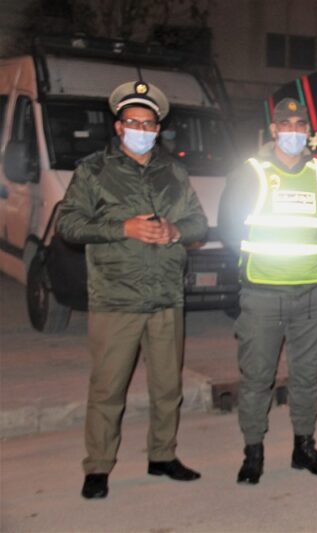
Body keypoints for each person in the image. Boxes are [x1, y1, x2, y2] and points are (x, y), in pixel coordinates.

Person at [58, 81, 208, 499]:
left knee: (168, 387)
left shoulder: (174, 172)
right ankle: (98, 466)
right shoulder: (93, 170)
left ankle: (162, 455)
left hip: (165, 298)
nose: (141, 130)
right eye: (133, 122)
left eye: (148, 124)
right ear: (119, 127)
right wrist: (121, 228)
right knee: (108, 389)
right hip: (115, 297)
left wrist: (175, 231)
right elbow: (68, 224)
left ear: (158, 129)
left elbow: (198, 223)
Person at [218, 98, 317, 484]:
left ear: (308, 131)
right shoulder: (250, 172)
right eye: (286, 124)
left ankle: (304, 447)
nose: (293, 131)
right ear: (273, 130)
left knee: (307, 376)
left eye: (300, 124)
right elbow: (229, 228)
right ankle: (253, 452)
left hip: (312, 294)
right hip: (263, 294)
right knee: (257, 378)